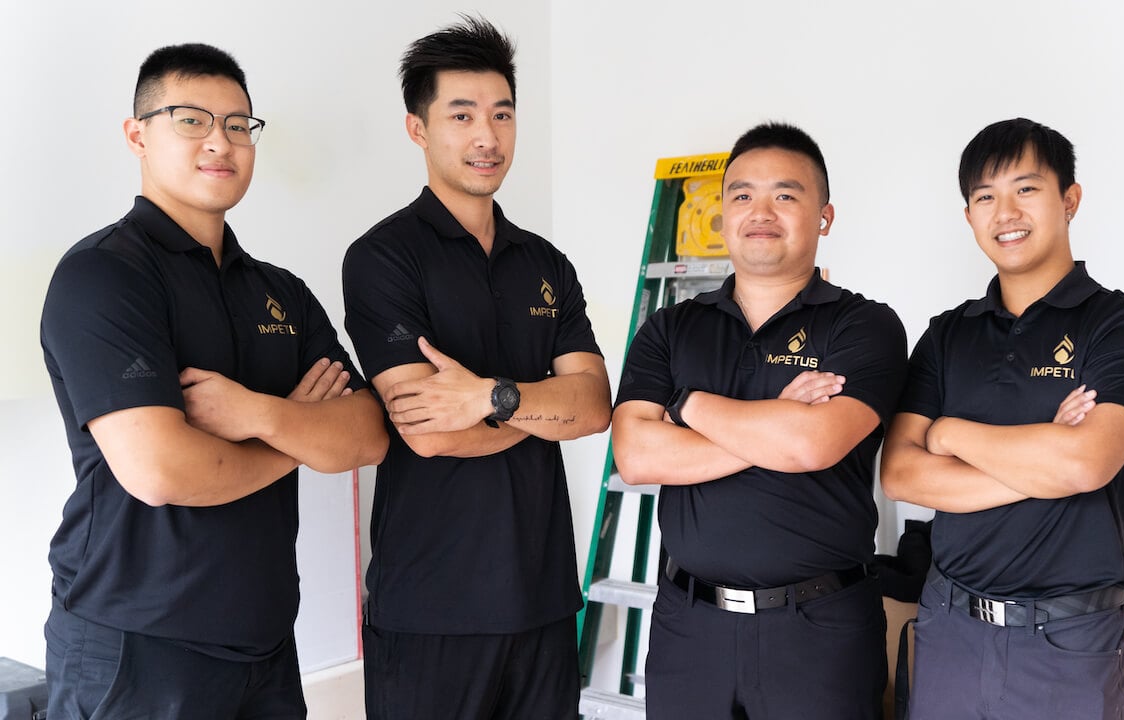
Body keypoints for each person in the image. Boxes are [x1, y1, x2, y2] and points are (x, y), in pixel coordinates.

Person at [39, 43, 388, 718]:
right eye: (191, 120)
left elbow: (369, 433)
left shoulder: (278, 291)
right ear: (137, 135)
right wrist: (300, 435)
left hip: (264, 643)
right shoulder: (104, 277)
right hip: (136, 644)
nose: (219, 142)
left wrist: (257, 413)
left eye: (237, 124)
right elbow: (163, 470)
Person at [341, 16, 612, 720]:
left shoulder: (545, 263)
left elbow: (594, 410)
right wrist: (540, 408)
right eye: (461, 115)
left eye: (501, 114)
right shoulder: (383, 258)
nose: (486, 136)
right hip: (431, 607)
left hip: (544, 598)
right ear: (418, 129)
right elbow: (428, 430)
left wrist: (491, 396)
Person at [611, 122, 908, 719]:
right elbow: (637, 456)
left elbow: (812, 444)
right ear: (722, 213)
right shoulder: (671, 327)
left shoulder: (865, 326)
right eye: (742, 195)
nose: (760, 211)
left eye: (786, 195)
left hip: (818, 632)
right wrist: (774, 425)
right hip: (688, 630)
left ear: (824, 216)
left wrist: (686, 405)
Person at [880, 117, 1124, 719]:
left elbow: (1084, 460)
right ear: (969, 217)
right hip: (948, 627)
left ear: (1069, 200)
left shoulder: (1123, 327)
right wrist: (1042, 467)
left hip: (1067, 643)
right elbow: (902, 475)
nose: (1005, 211)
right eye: (985, 197)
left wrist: (949, 433)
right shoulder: (946, 336)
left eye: (1026, 189)